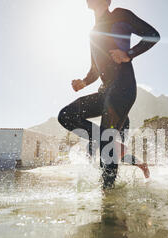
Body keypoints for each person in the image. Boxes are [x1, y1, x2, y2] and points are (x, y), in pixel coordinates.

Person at [58, 0, 160, 189]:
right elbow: (95, 69)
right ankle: (109, 142)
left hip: (123, 87)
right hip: (105, 92)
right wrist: (84, 81)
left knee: (107, 145)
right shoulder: (93, 33)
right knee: (66, 115)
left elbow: (153, 35)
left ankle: (109, 199)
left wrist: (129, 53)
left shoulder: (120, 15)